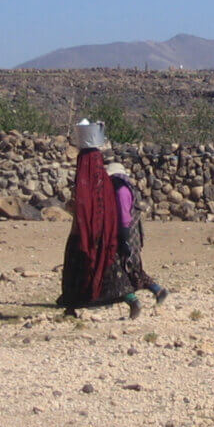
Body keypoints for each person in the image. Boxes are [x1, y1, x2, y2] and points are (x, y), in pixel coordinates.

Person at [57, 120, 165, 319]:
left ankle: (134, 298)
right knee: (106, 271)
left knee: (101, 270)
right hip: (103, 233)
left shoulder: (97, 182)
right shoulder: (104, 183)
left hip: (94, 233)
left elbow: (89, 208)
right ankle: (71, 306)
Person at [105, 161, 167, 314]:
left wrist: (124, 239)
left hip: (127, 234)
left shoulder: (121, 191)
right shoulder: (127, 188)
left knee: (118, 269)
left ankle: (132, 300)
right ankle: (157, 290)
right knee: (134, 269)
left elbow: (125, 218)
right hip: (131, 234)